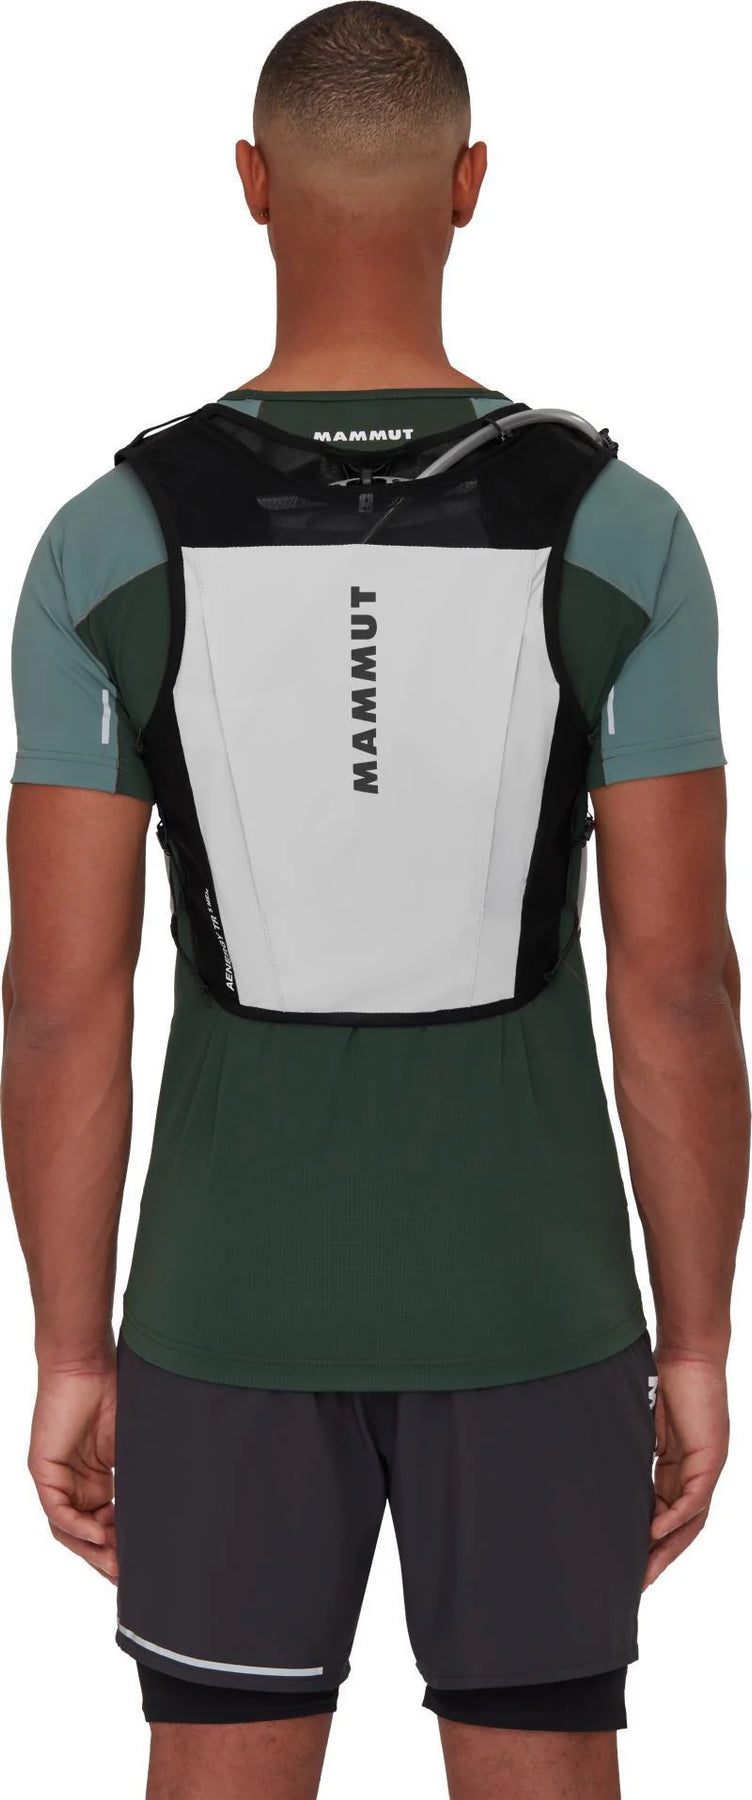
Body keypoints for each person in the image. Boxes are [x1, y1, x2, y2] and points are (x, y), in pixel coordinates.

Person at [2, 5, 748, 1799]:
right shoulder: (619, 530)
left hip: (224, 1311)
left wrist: (72, 1349)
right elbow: (676, 990)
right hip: (539, 1307)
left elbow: (60, 999)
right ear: (470, 185)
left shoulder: (111, 540)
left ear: (250, 186)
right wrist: (699, 1337)